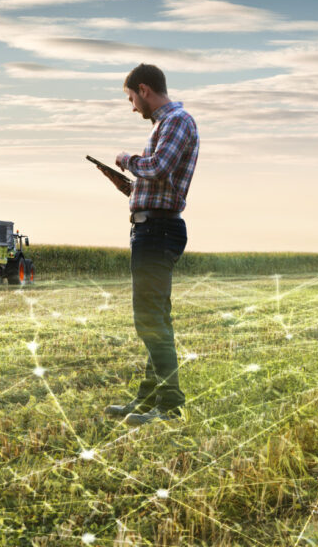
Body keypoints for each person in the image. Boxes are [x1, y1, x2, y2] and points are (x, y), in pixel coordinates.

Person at [104, 63, 199, 426]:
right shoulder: (166, 124)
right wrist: (127, 187)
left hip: (157, 233)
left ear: (144, 89)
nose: (132, 107)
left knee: (149, 321)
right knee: (156, 320)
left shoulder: (177, 121)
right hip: (151, 228)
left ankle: (170, 405)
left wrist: (127, 160)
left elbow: (157, 167)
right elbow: (157, 185)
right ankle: (147, 401)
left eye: (131, 98)